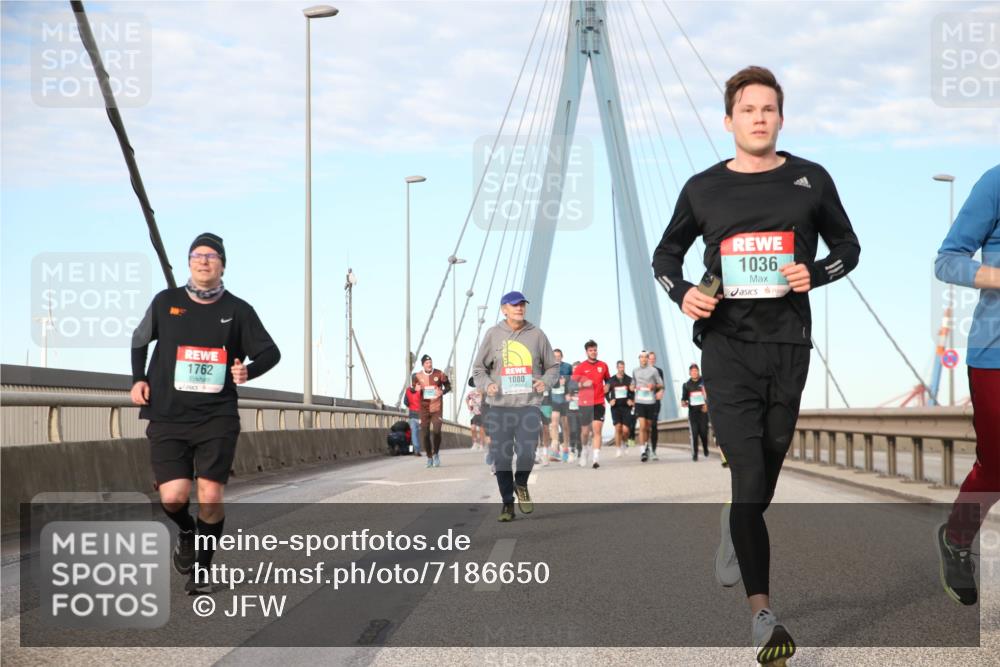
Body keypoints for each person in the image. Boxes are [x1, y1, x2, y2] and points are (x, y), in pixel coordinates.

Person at [652, 66, 860, 665]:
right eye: (748, 110)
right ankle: (763, 616)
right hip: (725, 348)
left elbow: (849, 247)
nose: (759, 117)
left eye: (769, 108)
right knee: (748, 468)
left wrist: (815, 273)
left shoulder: (810, 180)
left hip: (788, 346)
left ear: (781, 118)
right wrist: (683, 291)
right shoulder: (702, 189)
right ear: (729, 121)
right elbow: (666, 253)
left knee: (766, 467)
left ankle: (733, 523)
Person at [130, 233, 281, 595]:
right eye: (197, 255)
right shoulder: (165, 302)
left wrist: (248, 371)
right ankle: (186, 530)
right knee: (173, 498)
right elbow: (139, 340)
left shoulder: (239, 310)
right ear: (188, 263)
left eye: (211, 256)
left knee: (210, 495)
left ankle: (201, 571)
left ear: (222, 264)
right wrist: (138, 380)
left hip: (217, 416)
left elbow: (271, 353)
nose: (203, 261)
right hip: (167, 414)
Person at [933, 163, 1000, 607]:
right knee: (997, 466)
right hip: (995, 352)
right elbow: (948, 260)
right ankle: (957, 539)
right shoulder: (996, 182)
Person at [472, 291, 558, 521]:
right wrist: (488, 384)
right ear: (504, 309)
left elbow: (552, 367)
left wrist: (545, 382)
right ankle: (507, 504)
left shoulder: (537, 335)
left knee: (527, 452)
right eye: (514, 305)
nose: (519, 308)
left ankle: (521, 483)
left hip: (528, 404)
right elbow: (478, 369)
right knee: (501, 457)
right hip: (499, 407)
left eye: (522, 304)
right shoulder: (493, 335)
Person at [572, 340, 610, 469]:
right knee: (585, 432)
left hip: (599, 402)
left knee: (597, 430)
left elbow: (608, 379)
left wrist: (608, 386)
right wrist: (582, 384)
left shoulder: (603, 365)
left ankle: (595, 459)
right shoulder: (580, 367)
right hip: (585, 403)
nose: (593, 352)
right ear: (586, 352)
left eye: (595, 350)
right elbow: (572, 385)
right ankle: (584, 450)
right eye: (590, 350)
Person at [413, 354, 450, 468]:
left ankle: (436, 454)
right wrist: (416, 389)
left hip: (436, 407)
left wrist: (442, 392)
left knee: (437, 431)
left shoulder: (439, 374)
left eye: (430, 363)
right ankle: (429, 457)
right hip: (423, 408)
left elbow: (448, 386)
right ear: (423, 365)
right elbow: (413, 388)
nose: (429, 365)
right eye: (427, 363)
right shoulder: (417, 376)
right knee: (425, 434)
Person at [631, 351, 663, 462]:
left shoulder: (654, 371)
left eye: (646, 357)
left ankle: (646, 446)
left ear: (647, 359)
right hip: (640, 402)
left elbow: (661, 384)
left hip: (651, 402)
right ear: (639, 358)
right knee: (642, 425)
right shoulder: (635, 370)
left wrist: (654, 386)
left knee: (648, 427)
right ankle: (643, 451)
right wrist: (631, 386)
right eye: (642, 357)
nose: (644, 359)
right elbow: (633, 383)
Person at [548, 348, 574, 462]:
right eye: (555, 356)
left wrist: (570, 393)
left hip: (565, 400)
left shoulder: (568, 367)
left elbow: (572, 382)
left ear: (562, 357)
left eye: (558, 356)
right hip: (554, 399)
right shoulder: (549, 368)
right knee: (554, 424)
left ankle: (566, 450)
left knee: (565, 425)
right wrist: (558, 382)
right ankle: (554, 449)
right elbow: (548, 383)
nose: (556, 358)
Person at [681, 363, 710, 461]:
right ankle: (695, 454)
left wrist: (707, 405)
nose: (694, 372)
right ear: (690, 373)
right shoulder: (686, 385)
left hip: (703, 411)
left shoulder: (704, 383)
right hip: (693, 413)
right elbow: (684, 399)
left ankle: (705, 448)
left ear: (698, 372)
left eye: (696, 371)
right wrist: (683, 402)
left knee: (703, 433)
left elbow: (710, 395)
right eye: (692, 371)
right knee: (694, 433)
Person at [606, 361, 634, 457]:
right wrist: (609, 400)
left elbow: (634, 391)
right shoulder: (611, 380)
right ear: (617, 367)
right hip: (616, 407)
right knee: (618, 428)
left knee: (626, 430)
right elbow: (605, 392)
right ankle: (618, 449)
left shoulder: (629, 379)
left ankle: (625, 443)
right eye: (620, 367)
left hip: (626, 407)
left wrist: (632, 400)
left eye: (623, 367)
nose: (622, 369)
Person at [647, 351, 666, 457]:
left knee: (654, 425)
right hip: (644, 401)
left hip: (655, 402)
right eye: (650, 358)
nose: (652, 360)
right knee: (646, 425)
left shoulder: (659, 371)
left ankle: (653, 450)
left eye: (654, 358)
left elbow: (662, 385)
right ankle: (646, 447)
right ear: (647, 359)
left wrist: (661, 392)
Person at [404, 376, 422, 455]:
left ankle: (416, 450)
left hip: (412, 415)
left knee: (413, 434)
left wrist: (411, 406)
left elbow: (405, 402)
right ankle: (420, 449)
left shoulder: (408, 390)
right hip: (421, 415)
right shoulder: (421, 391)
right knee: (422, 433)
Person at [466, 377, 485, 452]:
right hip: (474, 413)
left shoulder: (484, 391)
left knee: (481, 429)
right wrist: (468, 405)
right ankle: (475, 443)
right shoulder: (471, 392)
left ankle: (481, 444)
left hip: (483, 413)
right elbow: (467, 399)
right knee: (473, 428)